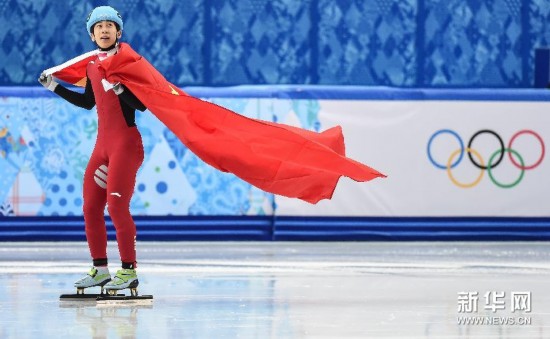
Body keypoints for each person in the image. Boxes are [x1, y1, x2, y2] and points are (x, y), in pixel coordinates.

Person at [39, 6, 146, 295]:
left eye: (111, 25)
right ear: (92, 34)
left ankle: (129, 270)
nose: (105, 30)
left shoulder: (127, 62)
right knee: (90, 207)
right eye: (99, 26)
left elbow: (143, 104)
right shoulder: (91, 66)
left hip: (126, 144)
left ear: (119, 32)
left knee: (116, 207)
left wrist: (122, 89)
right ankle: (100, 270)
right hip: (103, 146)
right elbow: (89, 102)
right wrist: (54, 88)